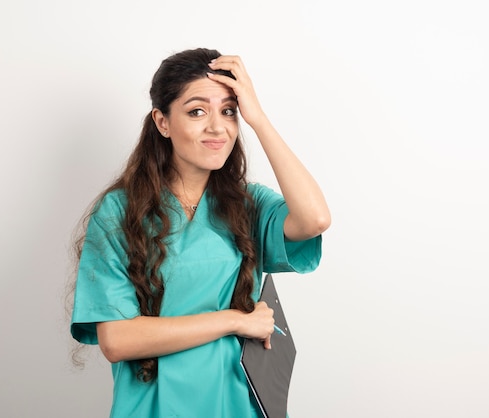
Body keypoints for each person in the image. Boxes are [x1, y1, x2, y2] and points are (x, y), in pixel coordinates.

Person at [69, 47, 331, 418]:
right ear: (162, 122)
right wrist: (235, 321)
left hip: (239, 403)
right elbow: (117, 340)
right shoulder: (120, 212)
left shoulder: (247, 204)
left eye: (228, 111)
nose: (216, 127)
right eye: (196, 112)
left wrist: (258, 118)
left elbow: (315, 219)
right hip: (154, 406)